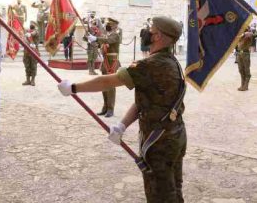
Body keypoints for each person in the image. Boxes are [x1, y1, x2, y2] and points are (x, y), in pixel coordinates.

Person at [58, 16, 186, 203]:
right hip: (175, 135)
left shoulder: (149, 65)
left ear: (158, 36)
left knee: (160, 196)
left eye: (151, 30)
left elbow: (107, 81)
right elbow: (147, 100)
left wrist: (73, 88)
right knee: (173, 191)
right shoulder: (172, 62)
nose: (147, 33)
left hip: (159, 143)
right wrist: (122, 126)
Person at [87, 17, 121, 118]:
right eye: (107, 23)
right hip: (105, 61)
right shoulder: (107, 35)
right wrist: (90, 38)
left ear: (115, 26)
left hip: (112, 62)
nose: (107, 25)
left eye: (109, 24)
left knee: (110, 85)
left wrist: (96, 39)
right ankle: (105, 107)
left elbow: (108, 41)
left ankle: (110, 109)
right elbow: (101, 42)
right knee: (104, 85)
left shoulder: (115, 35)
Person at [236, 27, 253, 91]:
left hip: (245, 54)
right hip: (239, 54)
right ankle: (242, 85)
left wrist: (243, 33)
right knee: (241, 70)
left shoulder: (248, 34)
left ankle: (246, 86)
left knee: (246, 71)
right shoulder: (240, 35)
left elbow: (250, 35)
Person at [22, 22, 39, 86]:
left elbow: (33, 34)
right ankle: (28, 79)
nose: (31, 25)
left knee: (33, 65)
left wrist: (29, 34)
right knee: (27, 65)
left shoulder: (36, 31)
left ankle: (33, 80)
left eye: (33, 24)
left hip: (33, 51)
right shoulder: (27, 32)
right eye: (31, 23)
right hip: (26, 51)